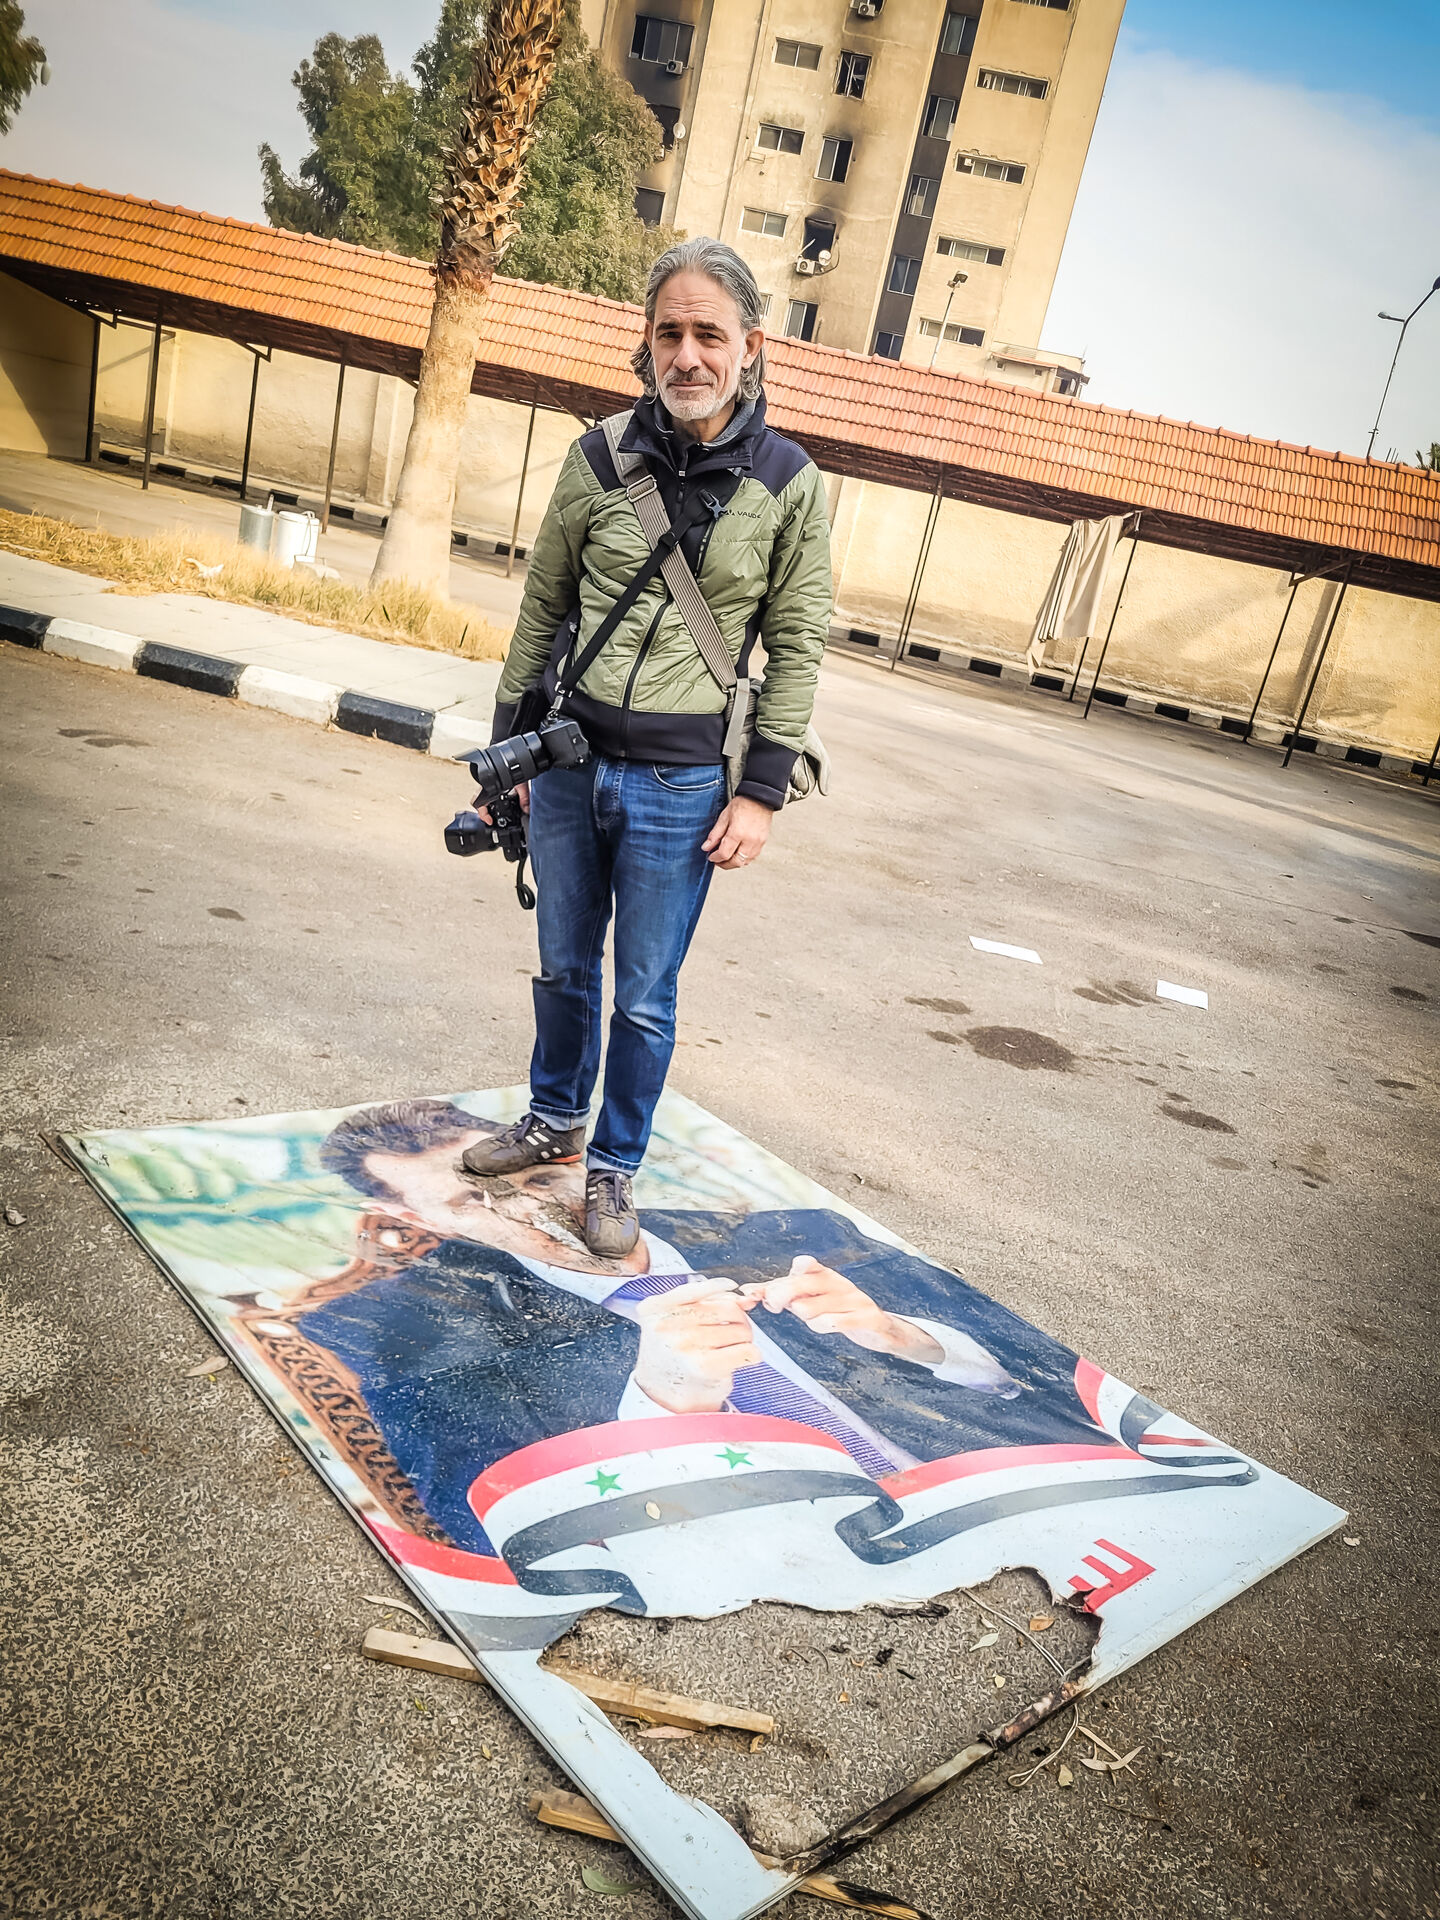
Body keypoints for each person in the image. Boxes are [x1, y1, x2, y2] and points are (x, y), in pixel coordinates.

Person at [465, 237, 834, 1260]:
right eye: (669, 332)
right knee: (562, 965)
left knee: (643, 996)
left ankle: (613, 1167)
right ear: (647, 342)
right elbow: (542, 611)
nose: (687, 354)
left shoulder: (790, 483)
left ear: (750, 346)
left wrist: (761, 792)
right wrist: (511, 759)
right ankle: (553, 1117)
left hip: (682, 785)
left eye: (709, 333)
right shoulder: (596, 459)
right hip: (570, 764)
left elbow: (798, 646)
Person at [312, 1101, 1111, 1557]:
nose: (533, 1209)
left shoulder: (799, 1231)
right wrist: (665, 1410)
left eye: (541, 1176)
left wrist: (911, 1339)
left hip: (1043, 1499)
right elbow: (501, 1535)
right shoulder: (414, 1339)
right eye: (472, 1200)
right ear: (416, 1219)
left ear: (573, 1155)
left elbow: (1050, 1374)